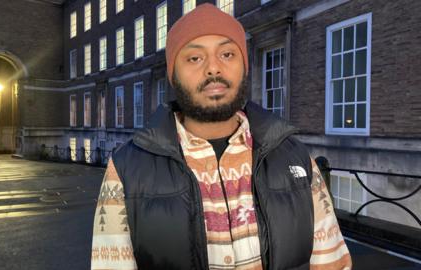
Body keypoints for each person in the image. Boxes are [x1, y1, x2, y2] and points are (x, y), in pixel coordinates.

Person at [91, 3, 352, 270]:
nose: (213, 68)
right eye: (195, 58)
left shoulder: (296, 157)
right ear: (173, 74)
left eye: (227, 54)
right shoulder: (125, 170)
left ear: (244, 66)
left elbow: (332, 263)